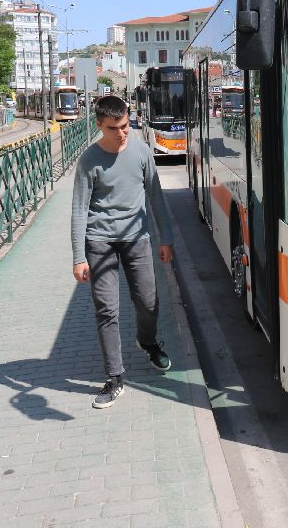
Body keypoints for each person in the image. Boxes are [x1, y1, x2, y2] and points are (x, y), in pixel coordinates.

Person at [71, 95, 175, 409]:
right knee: (107, 309)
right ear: (99, 125)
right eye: (113, 128)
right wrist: (78, 256)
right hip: (99, 240)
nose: (121, 134)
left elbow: (155, 196)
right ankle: (115, 377)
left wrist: (165, 237)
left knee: (148, 301)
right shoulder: (89, 160)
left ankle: (147, 341)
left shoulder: (142, 152)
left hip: (136, 237)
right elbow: (79, 210)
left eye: (125, 126)